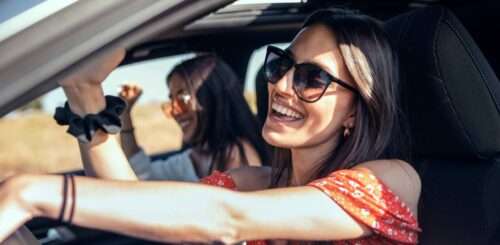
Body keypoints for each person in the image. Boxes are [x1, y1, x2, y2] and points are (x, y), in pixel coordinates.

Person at [0, 10, 421, 244]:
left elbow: (228, 219)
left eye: (313, 79)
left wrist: (30, 191)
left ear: (355, 110)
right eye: (281, 66)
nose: (281, 86)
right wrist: (85, 92)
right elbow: (136, 206)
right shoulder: (250, 182)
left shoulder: (392, 181)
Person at [114, 55, 269, 181]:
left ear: (211, 99)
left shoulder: (239, 155)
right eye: (171, 101)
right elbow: (142, 174)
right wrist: (125, 113)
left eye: (182, 99)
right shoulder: (191, 158)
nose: (174, 111)